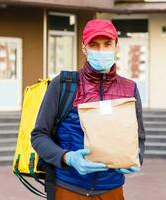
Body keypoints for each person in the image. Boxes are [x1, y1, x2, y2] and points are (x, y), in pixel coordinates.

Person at [31, 19, 146, 200]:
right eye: (94, 45)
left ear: (117, 47)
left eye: (107, 44)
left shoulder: (129, 89)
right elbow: (38, 136)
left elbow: (139, 138)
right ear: (84, 48)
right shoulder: (63, 85)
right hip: (69, 189)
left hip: (112, 190)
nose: (101, 51)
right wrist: (68, 158)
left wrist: (136, 158)